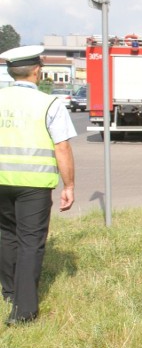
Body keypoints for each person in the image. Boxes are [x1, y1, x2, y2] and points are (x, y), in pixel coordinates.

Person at [0, 45, 76, 326]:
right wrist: (69, 185)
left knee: (6, 235)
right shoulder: (49, 103)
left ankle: (9, 292)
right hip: (33, 184)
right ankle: (23, 311)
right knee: (30, 241)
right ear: (37, 71)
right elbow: (62, 147)